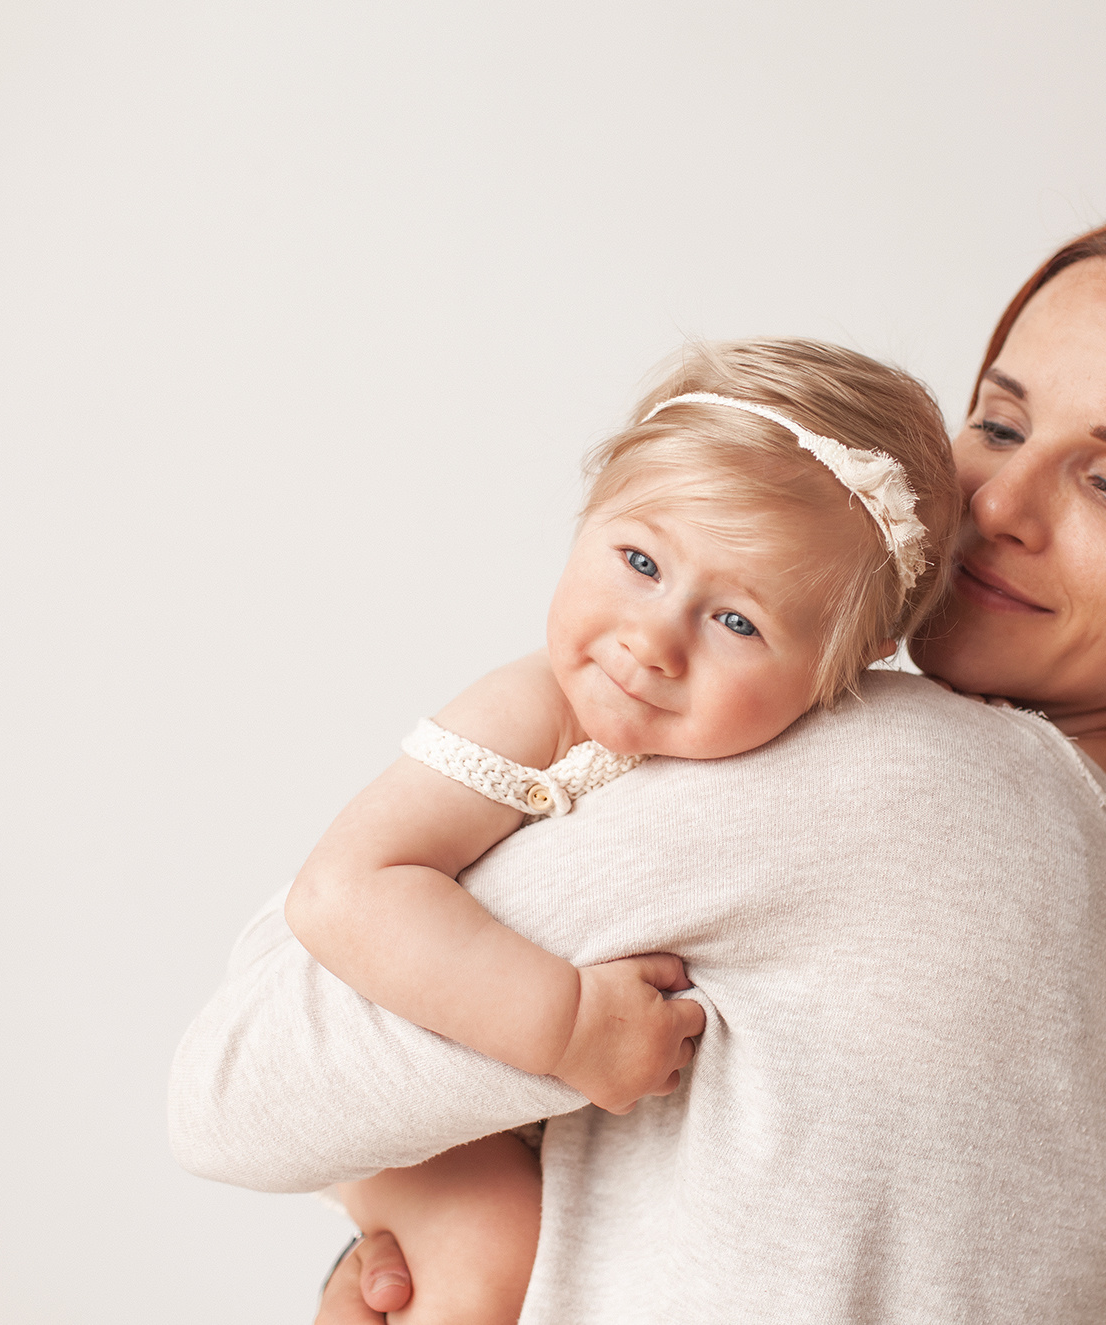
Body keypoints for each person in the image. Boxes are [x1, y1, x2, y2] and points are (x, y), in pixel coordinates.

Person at [168, 213, 1106, 1324]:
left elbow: (234, 1084)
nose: (997, 503)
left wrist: (446, 1232)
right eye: (996, 421)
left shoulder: (901, 777)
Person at [278, 337, 963, 1323]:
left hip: (555, 1122)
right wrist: (567, 1023)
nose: (652, 639)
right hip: (426, 1101)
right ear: (590, 508)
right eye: (639, 560)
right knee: (490, 1250)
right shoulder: (530, 710)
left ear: (846, 668)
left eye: (737, 623)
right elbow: (342, 893)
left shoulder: (829, 777)